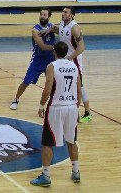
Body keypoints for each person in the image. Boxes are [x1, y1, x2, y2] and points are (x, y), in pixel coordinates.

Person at [29, 40, 81, 187]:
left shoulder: (52, 66)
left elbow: (47, 89)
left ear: (54, 52)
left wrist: (41, 105)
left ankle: (46, 175)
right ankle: (76, 172)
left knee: (47, 142)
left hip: (56, 107)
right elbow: (78, 90)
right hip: (71, 106)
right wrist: (76, 106)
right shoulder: (74, 66)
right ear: (67, 53)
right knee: (71, 141)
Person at [49, 7, 91, 123]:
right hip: (64, 59)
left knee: (79, 86)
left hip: (74, 60)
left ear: (71, 15)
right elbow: (61, 31)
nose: (63, 13)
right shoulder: (62, 24)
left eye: (66, 12)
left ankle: (87, 112)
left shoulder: (75, 28)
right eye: (63, 11)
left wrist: (69, 58)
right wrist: (50, 30)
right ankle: (71, 110)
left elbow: (81, 47)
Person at [10, 8, 55, 110]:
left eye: (44, 15)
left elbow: (61, 29)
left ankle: (53, 102)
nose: (42, 16)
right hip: (38, 60)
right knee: (26, 81)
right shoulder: (35, 29)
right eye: (41, 14)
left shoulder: (51, 26)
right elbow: (43, 46)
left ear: (48, 17)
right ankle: (16, 99)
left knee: (53, 82)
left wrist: (51, 29)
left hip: (51, 59)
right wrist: (57, 47)